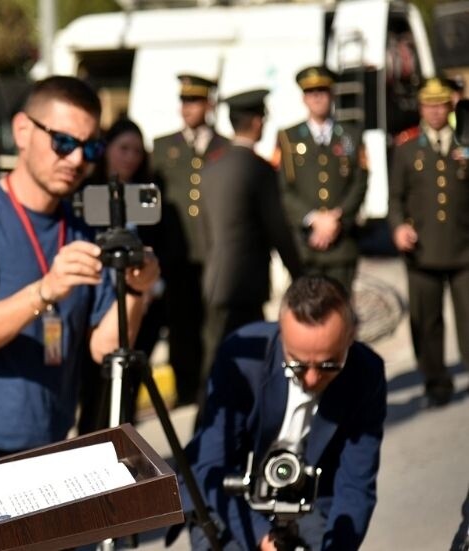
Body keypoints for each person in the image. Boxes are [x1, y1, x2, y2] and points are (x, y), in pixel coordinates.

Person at [0, 76, 160, 472]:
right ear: (23, 131)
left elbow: (104, 347)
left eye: (90, 146)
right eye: (64, 142)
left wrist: (135, 289)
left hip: (49, 453)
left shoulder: (84, 227)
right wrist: (46, 291)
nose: (77, 159)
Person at [180, 275, 386, 551]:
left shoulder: (366, 372)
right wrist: (263, 538)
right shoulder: (242, 355)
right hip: (229, 497)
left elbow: (356, 486)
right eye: (298, 364)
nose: (312, 379)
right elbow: (212, 465)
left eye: (329, 364)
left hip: (310, 503)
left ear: (350, 336)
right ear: (281, 335)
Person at [200, 89, 303, 409]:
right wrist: (299, 273)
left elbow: (206, 232)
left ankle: (209, 427)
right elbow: (277, 229)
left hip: (215, 281)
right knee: (247, 363)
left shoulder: (210, 168)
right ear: (257, 122)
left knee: (216, 359)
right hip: (245, 282)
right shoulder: (258, 169)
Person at [388, 77, 469, 409]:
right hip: (421, 253)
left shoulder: (464, 143)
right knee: (426, 321)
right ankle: (436, 383)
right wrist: (397, 229)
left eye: (441, 104)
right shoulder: (407, 148)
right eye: (429, 105)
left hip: (464, 249)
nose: (435, 111)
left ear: (450, 106)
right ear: (421, 108)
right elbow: (395, 199)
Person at [150, 74, 229, 405]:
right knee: (181, 325)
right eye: (184, 101)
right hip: (177, 253)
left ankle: (212, 387)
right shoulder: (164, 146)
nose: (187, 108)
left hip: (213, 252)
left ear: (209, 105)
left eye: (194, 101)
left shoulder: (223, 147)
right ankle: (185, 388)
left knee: (213, 325)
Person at [76, 117, 159, 432]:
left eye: (137, 151)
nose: (130, 157)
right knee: (95, 407)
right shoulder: (86, 196)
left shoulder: (147, 199)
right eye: (123, 148)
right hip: (96, 314)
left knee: (126, 407)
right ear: (106, 149)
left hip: (139, 310)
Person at [275, 66, 367, 294]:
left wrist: (337, 219)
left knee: (341, 312)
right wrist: (314, 219)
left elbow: (360, 181)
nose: (317, 97)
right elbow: (282, 187)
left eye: (322, 90)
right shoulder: (287, 138)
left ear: (332, 94)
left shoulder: (352, 135)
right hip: (305, 246)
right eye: (311, 91)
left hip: (342, 245)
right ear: (303, 98)